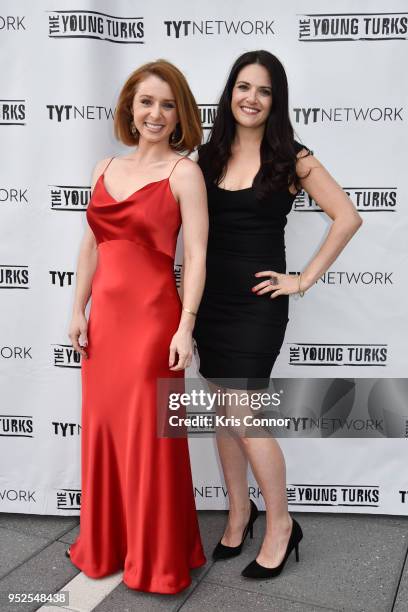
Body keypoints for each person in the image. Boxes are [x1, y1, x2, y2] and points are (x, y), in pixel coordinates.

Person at [193, 50, 363, 579]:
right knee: (225, 412)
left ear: (276, 100)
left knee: (245, 415)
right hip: (211, 303)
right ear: (230, 93)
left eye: (264, 91)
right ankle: (239, 515)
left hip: (257, 307)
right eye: (243, 87)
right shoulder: (208, 155)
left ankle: (283, 524)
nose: (251, 98)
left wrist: (302, 280)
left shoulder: (293, 156)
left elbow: (347, 217)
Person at [66, 59, 208, 594]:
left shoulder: (184, 173)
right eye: (146, 101)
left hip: (154, 325)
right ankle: (106, 545)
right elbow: (91, 245)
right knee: (104, 434)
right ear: (130, 105)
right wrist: (77, 309)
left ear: (179, 116)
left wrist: (185, 326)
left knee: (151, 440)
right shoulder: (104, 166)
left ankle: (159, 557)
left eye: (167, 105)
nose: (155, 113)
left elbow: (195, 257)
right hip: (104, 325)